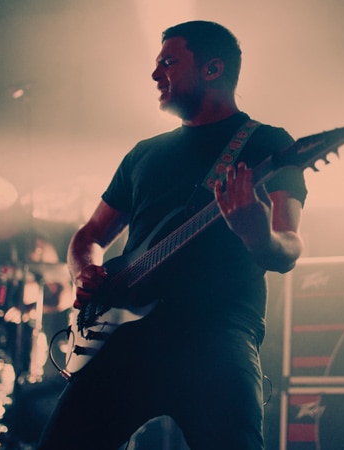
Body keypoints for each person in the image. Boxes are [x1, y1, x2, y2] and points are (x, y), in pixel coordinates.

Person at [37, 20, 306, 450]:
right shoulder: (145, 153)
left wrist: (257, 235)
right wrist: (84, 271)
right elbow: (89, 234)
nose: (155, 73)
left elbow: (288, 247)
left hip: (217, 333)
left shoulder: (269, 145)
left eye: (168, 62)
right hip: (124, 335)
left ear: (212, 69)